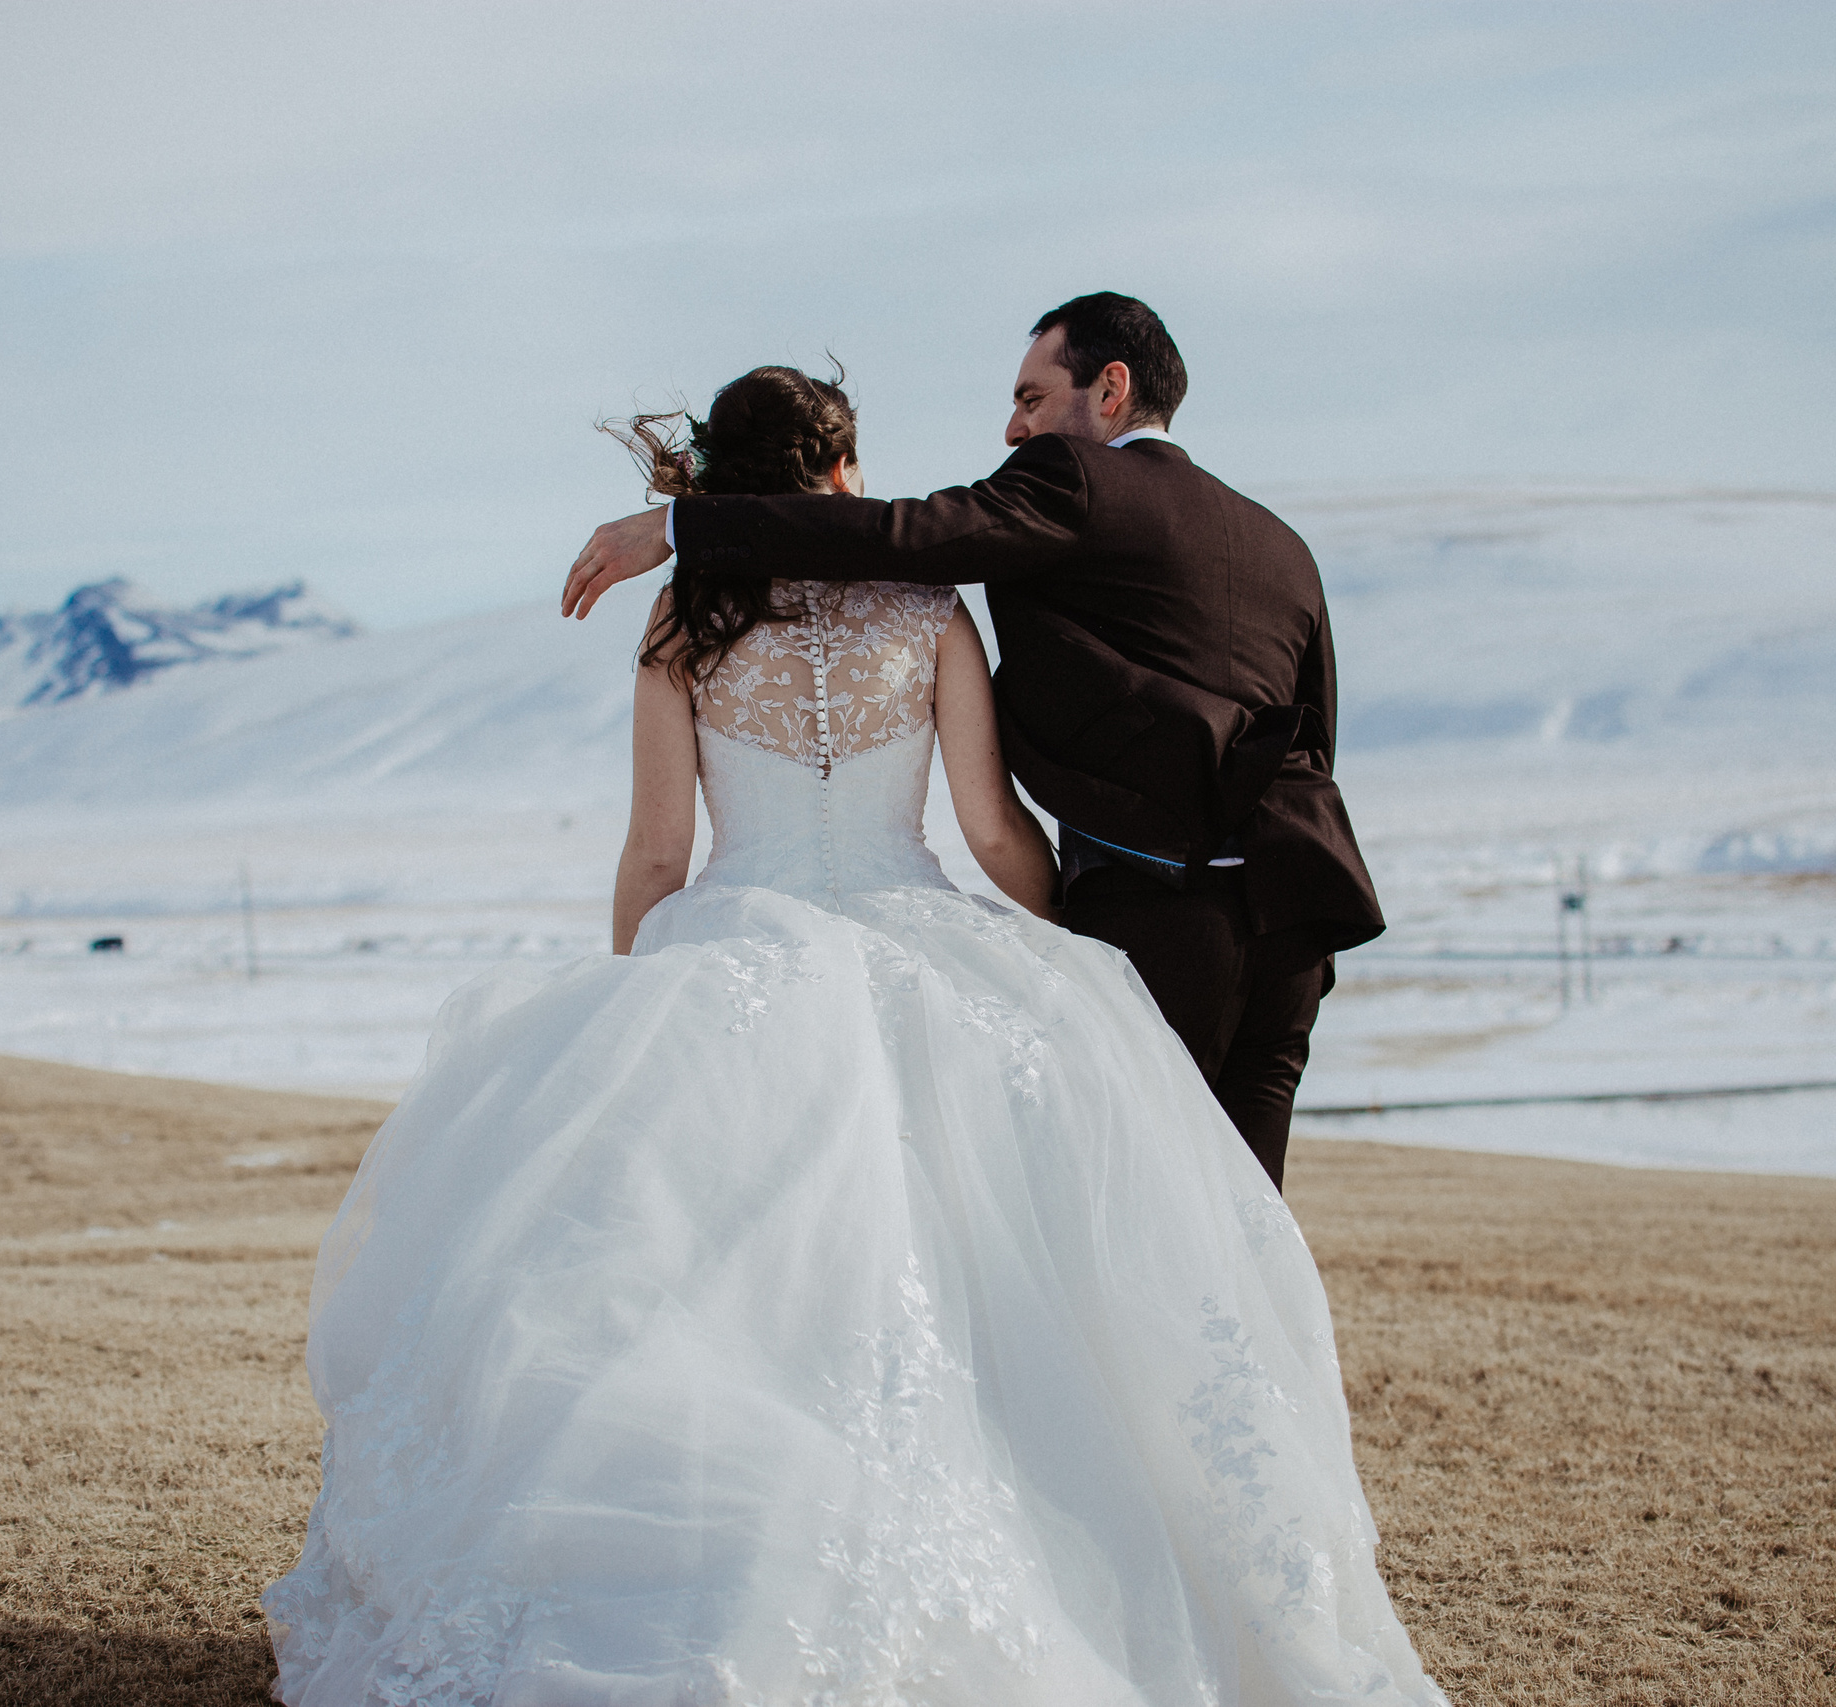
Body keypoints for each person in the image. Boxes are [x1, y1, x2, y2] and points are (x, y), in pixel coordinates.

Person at [263, 364, 1444, 1706]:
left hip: (737, 949)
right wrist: (1059, 959)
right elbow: (995, 833)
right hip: (921, 934)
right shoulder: (928, 610)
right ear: (837, 474)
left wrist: (635, 1005)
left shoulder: (680, 623)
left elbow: (655, 854)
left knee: (718, 1303)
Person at [563, 295, 1382, 1192]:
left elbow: (898, 535)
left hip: (1163, 915)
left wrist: (683, 527)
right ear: (842, 464)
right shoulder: (1282, 544)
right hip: (1293, 918)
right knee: (1241, 1220)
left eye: (1032, 399)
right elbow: (1313, 731)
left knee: (1137, 1207)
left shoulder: (1073, 482)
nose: (1012, 426)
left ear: (1110, 390)